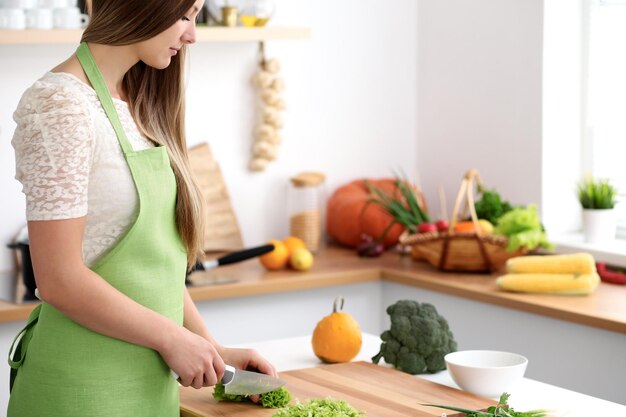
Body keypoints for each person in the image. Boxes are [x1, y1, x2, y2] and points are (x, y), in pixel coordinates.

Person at [7, 0, 277, 415]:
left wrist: (211, 348)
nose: (192, 35)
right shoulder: (60, 105)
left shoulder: (137, 105)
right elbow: (59, 278)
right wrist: (171, 339)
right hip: (79, 391)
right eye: (185, 15)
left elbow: (154, 266)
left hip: (148, 392)